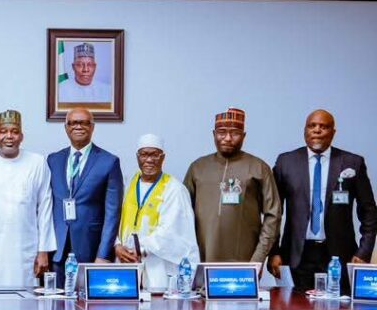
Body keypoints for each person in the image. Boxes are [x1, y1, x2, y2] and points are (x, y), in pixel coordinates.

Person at [272, 109, 377, 291]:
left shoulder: (352, 162)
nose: (317, 130)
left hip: (339, 256)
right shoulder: (286, 162)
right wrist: (274, 252)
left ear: (333, 132)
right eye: (312, 126)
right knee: (296, 307)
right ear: (305, 130)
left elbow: (369, 211)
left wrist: (364, 251)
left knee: (338, 307)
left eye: (324, 126)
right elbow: (274, 212)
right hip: (296, 255)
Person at [184, 108, 281, 267]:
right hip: (201, 258)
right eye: (222, 132)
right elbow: (182, 214)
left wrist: (258, 259)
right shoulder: (198, 168)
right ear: (214, 134)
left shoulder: (259, 167)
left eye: (235, 133)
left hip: (246, 260)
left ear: (244, 136)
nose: (228, 138)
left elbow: (273, 215)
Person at [0, 109, 55, 288]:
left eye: (14, 132)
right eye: (3, 131)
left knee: (27, 298)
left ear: (21, 137)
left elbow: (45, 208)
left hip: (27, 249)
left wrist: (43, 250)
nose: (9, 136)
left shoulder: (37, 162)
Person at [114, 134, 198, 291]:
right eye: (144, 154)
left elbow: (174, 232)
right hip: (126, 261)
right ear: (137, 157)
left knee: (155, 303)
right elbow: (115, 219)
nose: (149, 160)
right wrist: (117, 244)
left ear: (163, 157)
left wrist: (140, 248)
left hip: (157, 267)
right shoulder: (129, 184)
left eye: (154, 155)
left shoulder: (174, 189)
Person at [47, 107, 123, 280]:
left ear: (92, 127)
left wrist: (103, 254)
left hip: (92, 250)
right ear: (66, 128)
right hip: (57, 250)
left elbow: (113, 214)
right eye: (73, 123)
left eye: (84, 123)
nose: (78, 126)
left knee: (88, 297)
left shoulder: (109, 161)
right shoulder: (53, 160)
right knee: (56, 297)